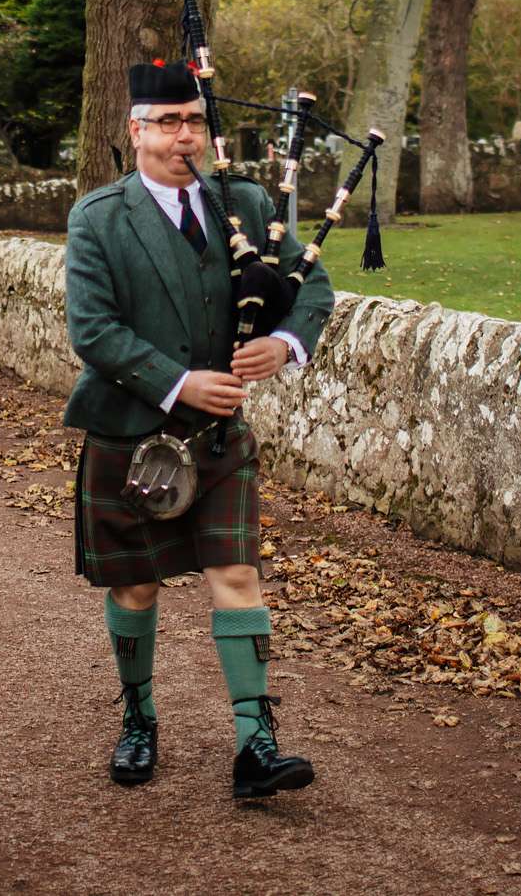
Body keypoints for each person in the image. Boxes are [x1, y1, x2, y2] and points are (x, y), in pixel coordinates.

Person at [64, 60, 334, 799]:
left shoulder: (244, 201)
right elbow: (91, 328)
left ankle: (255, 743)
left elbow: (313, 288)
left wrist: (285, 343)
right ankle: (139, 719)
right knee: (136, 587)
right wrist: (179, 381)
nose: (185, 136)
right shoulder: (98, 216)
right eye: (168, 122)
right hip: (129, 431)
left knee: (237, 573)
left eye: (195, 120)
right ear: (136, 129)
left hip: (218, 438)